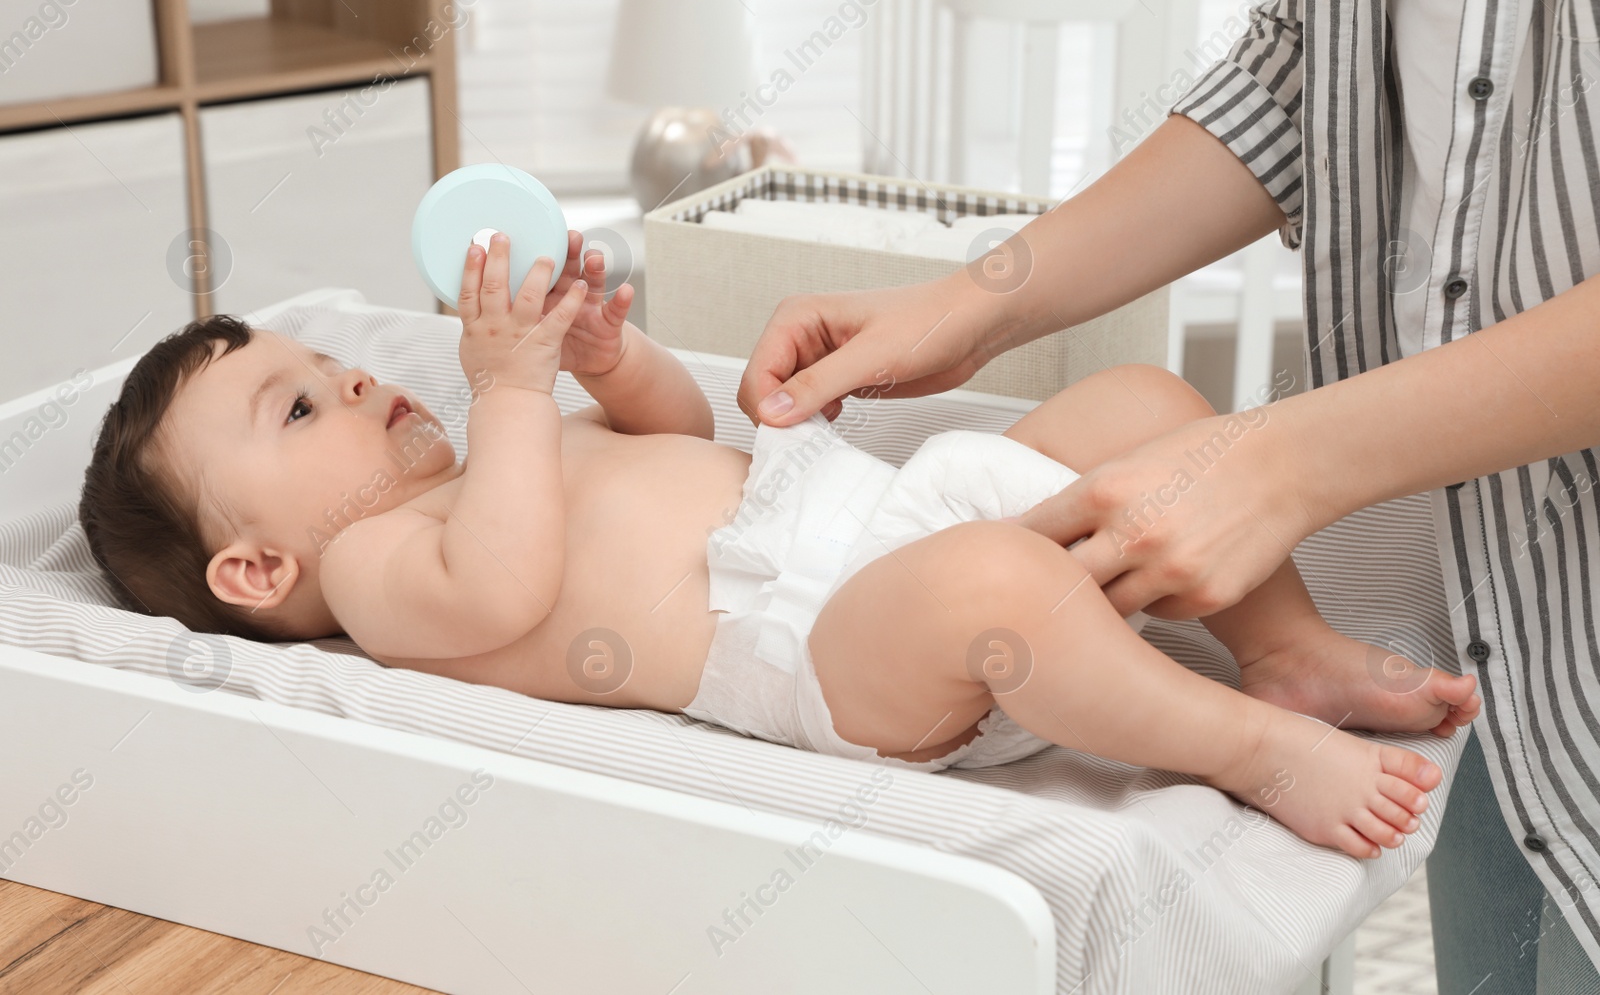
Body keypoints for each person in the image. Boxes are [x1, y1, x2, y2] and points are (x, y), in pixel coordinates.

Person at [735, 0, 1600, 990]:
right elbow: (1312, 65)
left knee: (1120, 431)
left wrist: (1289, 465)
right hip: (837, 612)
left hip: (858, 565)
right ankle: (1268, 698)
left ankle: (1267, 692)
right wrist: (973, 301)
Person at [78, 231, 1474, 861]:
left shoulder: (495, 452)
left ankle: (1285, 653)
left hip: (880, 508)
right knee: (1000, 588)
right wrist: (512, 390)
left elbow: (684, 431)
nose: (363, 378)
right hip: (829, 642)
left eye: (333, 356)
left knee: (1150, 411)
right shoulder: (383, 577)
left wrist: (612, 373)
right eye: (305, 402)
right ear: (259, 567)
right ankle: (1249, 742)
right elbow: (503, 582)